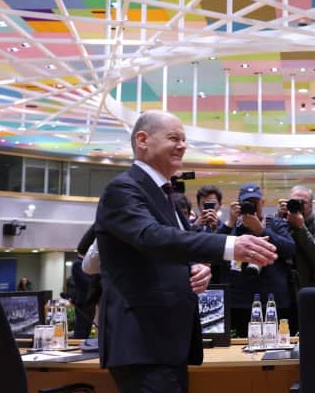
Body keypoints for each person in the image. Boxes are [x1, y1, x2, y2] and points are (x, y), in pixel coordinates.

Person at [94, 110, 277, 393]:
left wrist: (196, 268)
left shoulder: (166, 196)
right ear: (142, 140)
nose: (182, 146)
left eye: (184, 139)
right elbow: (150, 237)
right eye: (173, 138)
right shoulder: (123, 189)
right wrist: (229, 246)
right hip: (142, 341)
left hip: (167, 343)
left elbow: (174, 248)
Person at [216, 183, 295, 337]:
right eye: (247, 203)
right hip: (239, 302)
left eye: (255, 203)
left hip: (273, 301)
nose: (251, 207)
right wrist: (230, 222)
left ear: (263, 203)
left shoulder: (276, 224)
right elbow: (215, 248)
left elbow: (290, 249)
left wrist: (261, 230)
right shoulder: (233, 228)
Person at [71, 225, 102, 339]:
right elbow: (87, 281)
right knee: (82, 328)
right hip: (83, 301)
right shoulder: (78, 264)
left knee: (88, 327)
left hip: (90, 301)